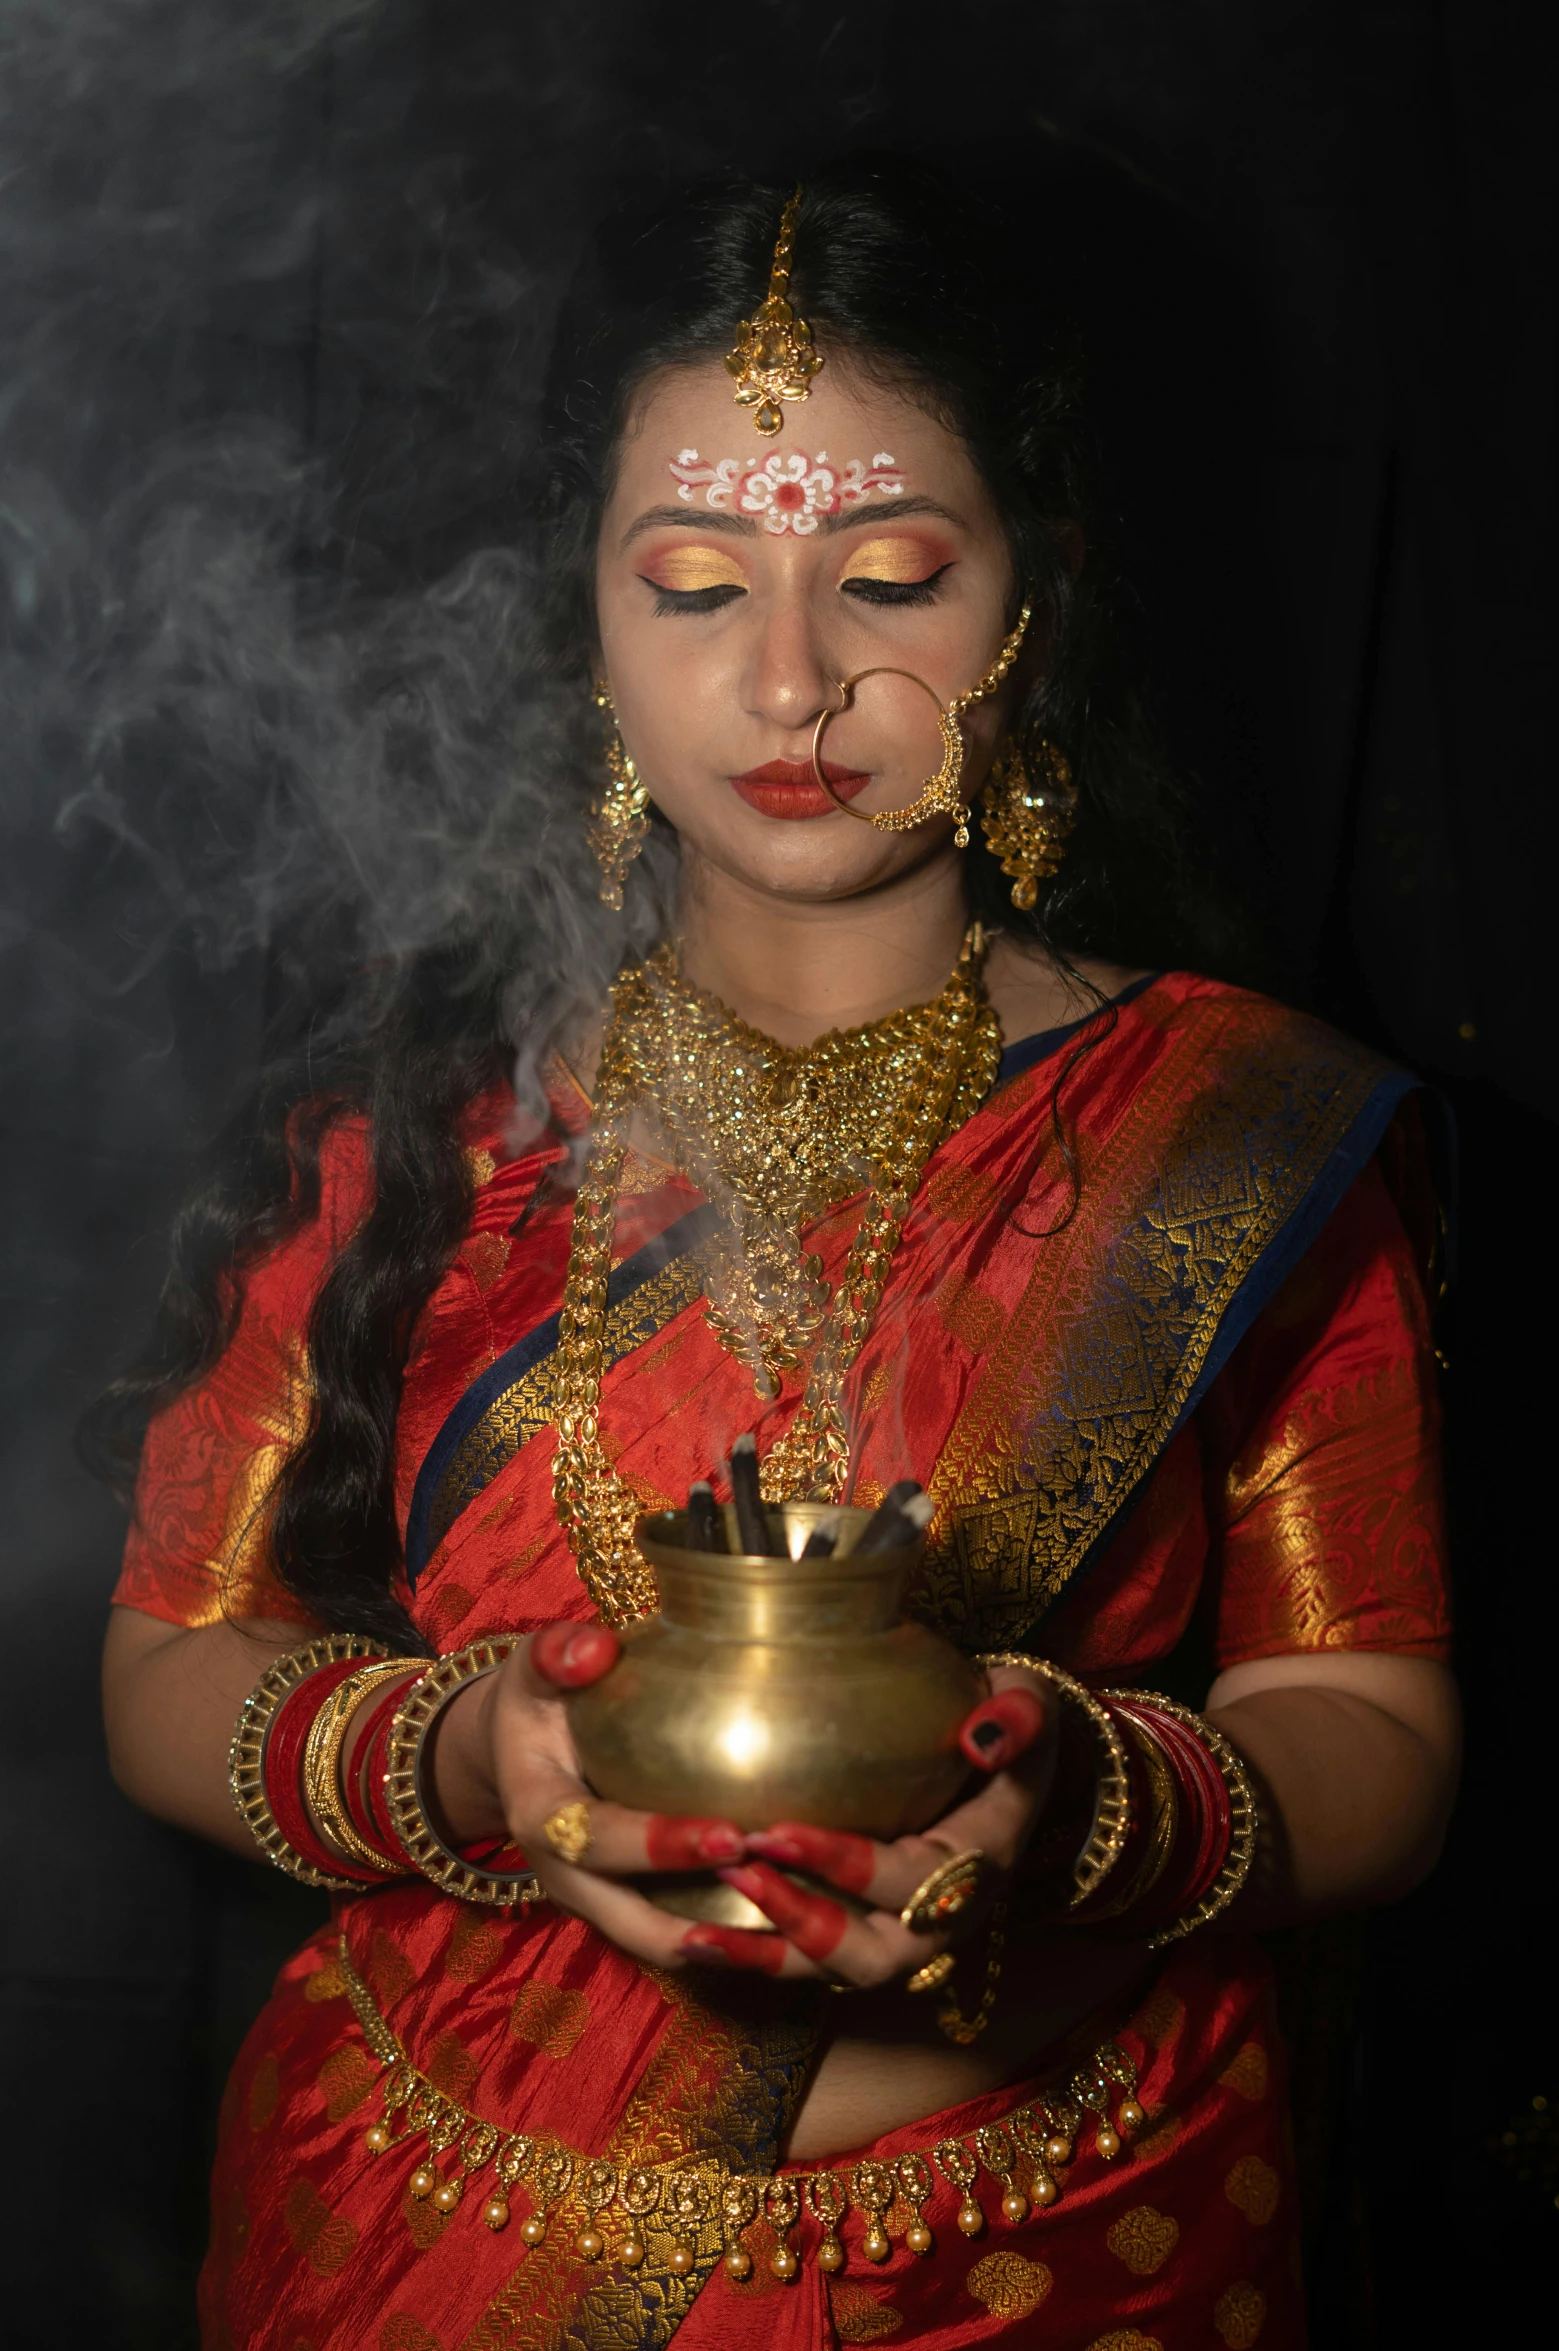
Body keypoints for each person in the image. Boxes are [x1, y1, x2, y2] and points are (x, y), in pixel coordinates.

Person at [98, 162, 1458, 2349]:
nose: (796, 674)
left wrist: (1089, 1797)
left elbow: (1368, 1716)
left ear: (1042, 599)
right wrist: (469, 1765)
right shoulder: (403, 1130)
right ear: (593, 628)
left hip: (1082, 2241)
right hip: (455, 2222)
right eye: (697, 583)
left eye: (895, 574)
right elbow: (169, 1667)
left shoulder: (1234, 1130)